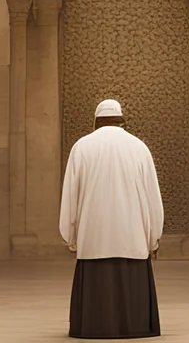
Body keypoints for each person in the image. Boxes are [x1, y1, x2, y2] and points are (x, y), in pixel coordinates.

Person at [59, 98, 165, 339]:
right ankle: (135, 326)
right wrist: (153, 238)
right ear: (121, 119)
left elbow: (70, 195)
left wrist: (71, 235)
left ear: (96, 120)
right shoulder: (139, 147)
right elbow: (152, 197)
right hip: (133, 235)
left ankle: (94, 326)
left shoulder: (82, 146)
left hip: (93, 235)